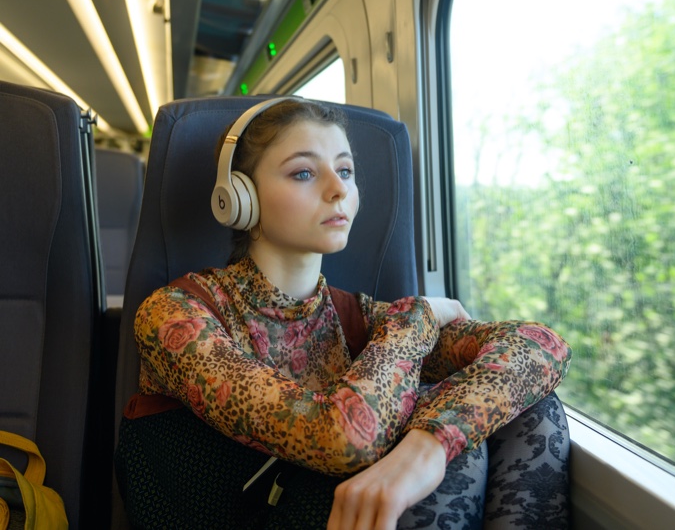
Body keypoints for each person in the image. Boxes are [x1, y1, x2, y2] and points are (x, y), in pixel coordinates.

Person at [116, 98, 572, 530]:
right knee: (461, 445)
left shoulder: (358, 318)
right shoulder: (175, 315)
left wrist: (429, 445)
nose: (338, 190)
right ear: (240, 198)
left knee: (531, 410)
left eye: (346, 170)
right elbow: (344, 440)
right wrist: (418, 318)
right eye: (303, 173)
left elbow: (542, 347)